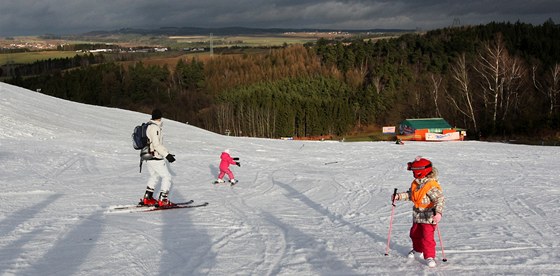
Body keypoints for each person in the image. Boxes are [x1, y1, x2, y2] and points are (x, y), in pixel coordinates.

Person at [392, 156, 445, 268]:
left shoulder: (431, 185)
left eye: (415, 171)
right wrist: (398, 196)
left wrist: (438, 213)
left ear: (421, 171)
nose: (413, 174)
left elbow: (439, 199)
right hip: (417, 216)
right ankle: (417, 250)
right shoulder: (416, 183)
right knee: (415, 234)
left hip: (429, 216)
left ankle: (429, 256)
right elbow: (411, 195)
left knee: (427, 237)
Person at [140, 109, 176, 207]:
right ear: (159, 117)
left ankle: (148, 198)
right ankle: (163, 200)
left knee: (154, 176)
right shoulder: (155, 128)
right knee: (167, 176)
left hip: (148, 156)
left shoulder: (148, 126)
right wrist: (167, 155)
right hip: (155, 156)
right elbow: (156, 144)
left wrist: (167, 153)